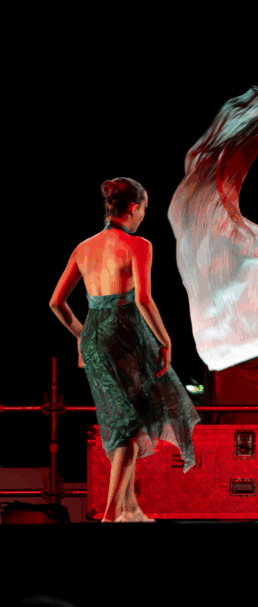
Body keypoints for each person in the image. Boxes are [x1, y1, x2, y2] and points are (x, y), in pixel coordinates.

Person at [49, 178, 200, 522]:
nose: (145, 215)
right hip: (126, 336)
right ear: (133, 208)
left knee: (127, 419)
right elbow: (144, 299)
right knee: (129, 426)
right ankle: (111, 515)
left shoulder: (83, 247)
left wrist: (82, 334)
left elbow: (56, 302)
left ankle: (131, 507)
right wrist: (166, 340)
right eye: (145, 209)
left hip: (97, 340)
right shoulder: (139, 244)